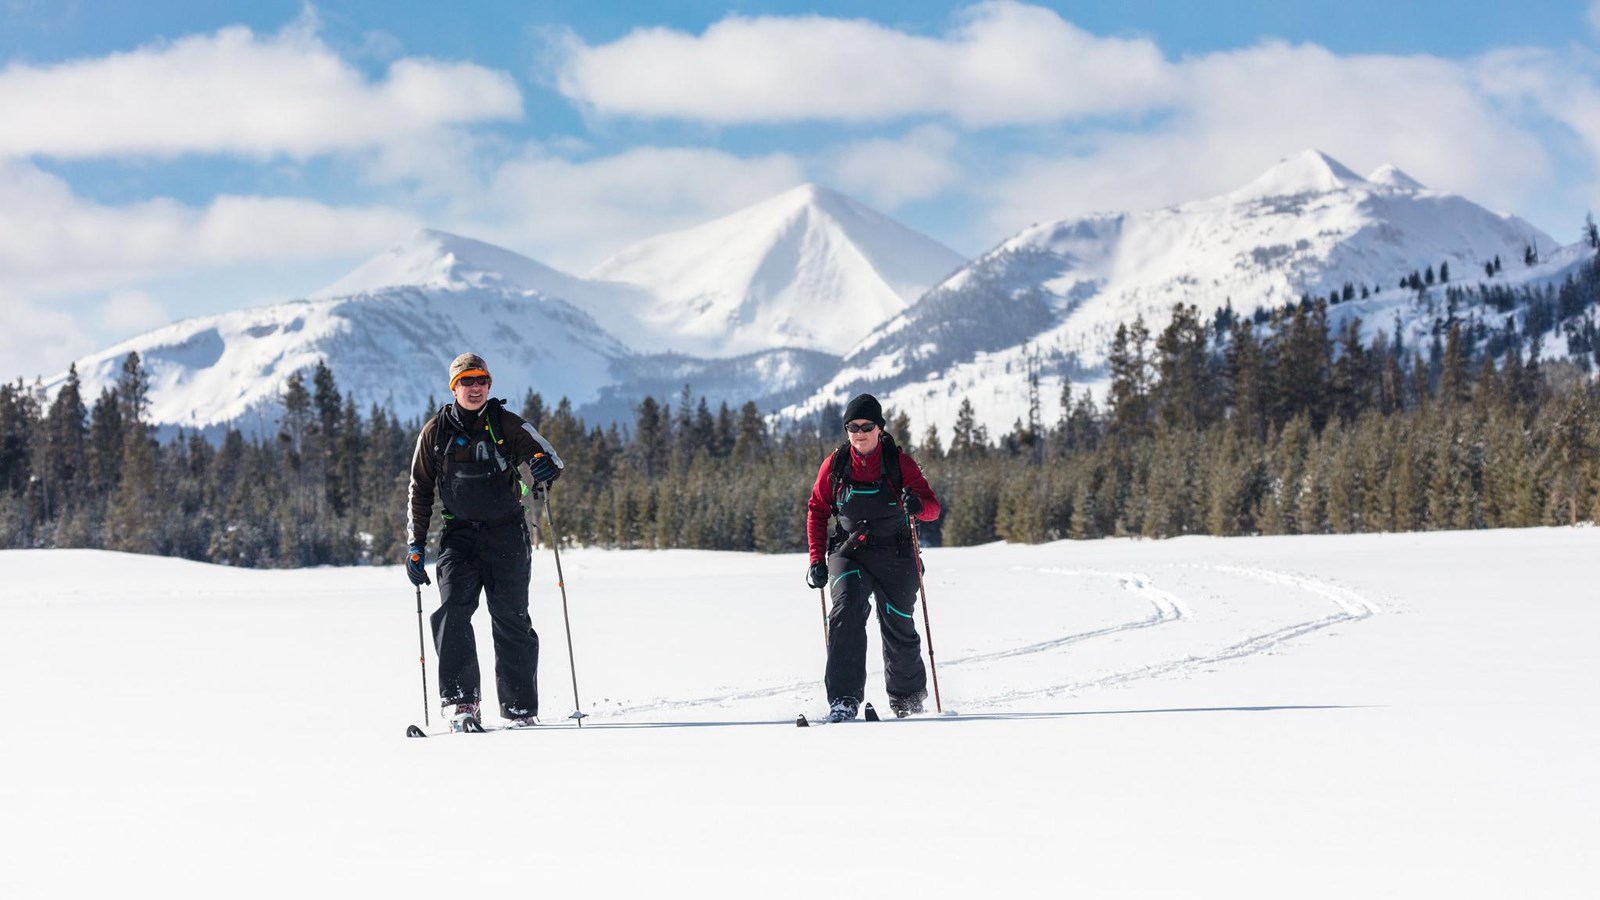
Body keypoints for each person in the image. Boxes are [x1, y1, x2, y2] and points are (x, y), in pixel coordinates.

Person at [405, 352, 564, 731]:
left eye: (481, 380)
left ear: (489, 385)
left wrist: (545, 466)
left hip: (507, 532)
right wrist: (415, 547)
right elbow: (419, 490)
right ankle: (463, 704)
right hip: (458, 537)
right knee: (453, 613)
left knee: (511, 618)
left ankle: (520, 709)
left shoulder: (507, 424)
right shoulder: (435, 432)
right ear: (454, 387)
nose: (474, 387)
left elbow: (550, 460)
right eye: (467, 381)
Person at [805, 393, 941, 722]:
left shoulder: (899, 463)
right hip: (849, 552)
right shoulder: (835, 465)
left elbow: (933, 509)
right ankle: (843, 700)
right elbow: (817, 511)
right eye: (852, 426)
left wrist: (917, 507)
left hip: (896, 552)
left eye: (867, 426)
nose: (860, 432)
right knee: (846, 611)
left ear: (879, 428)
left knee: (897, 621)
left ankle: (907, 701)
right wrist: (816, 560)